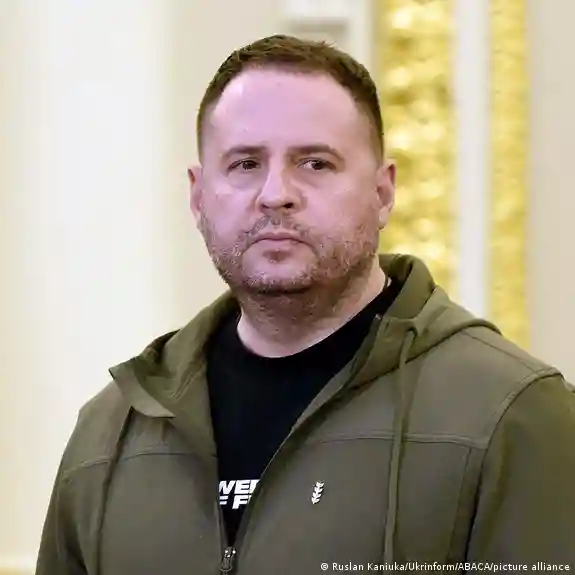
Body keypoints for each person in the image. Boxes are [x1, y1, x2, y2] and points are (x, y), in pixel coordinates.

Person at [35, 34, 575, 575]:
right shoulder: (114, 429)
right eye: (245, 164)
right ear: (198, 197)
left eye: (315, 163)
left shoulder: (509, 414)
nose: (275, 194)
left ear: (383, 193)